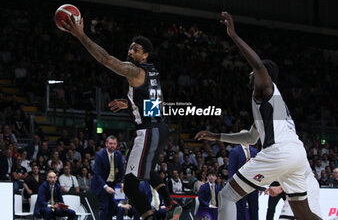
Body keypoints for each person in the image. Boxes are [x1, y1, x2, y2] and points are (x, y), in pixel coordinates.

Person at [194, 11, 321, 220]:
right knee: (304, 214)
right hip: (297, 155)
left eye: (254, 73)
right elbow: (251, 138)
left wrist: (233, 35)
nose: (251, 75)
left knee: (226, 196)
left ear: (265, 77)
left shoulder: (266, 89)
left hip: (278, 153)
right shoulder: (274, 105)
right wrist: (217, 136)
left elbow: (258, 66)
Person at [62, 15, 182, 220]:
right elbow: (159, 103)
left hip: (148, 131)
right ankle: (170, 202)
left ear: (145, 55)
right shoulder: (153, 72)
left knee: (129, 182)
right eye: (130, 47)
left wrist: (81, 35)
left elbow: (106, 59)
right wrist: (130, 103)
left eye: (135, 49)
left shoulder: (134, 71)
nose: (130, 51)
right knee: (147, 169)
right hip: (160, 127)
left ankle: (152, 216)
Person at [90, 135, 125, 220]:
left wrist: (123, 182)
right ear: (106, 144)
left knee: (112, 208)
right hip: (102, 184)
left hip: (113, 183)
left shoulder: (118, 154)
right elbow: (97, 174)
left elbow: (122, 170)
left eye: (114, 144)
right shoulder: (100, 155)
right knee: (104, 207)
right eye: (110, 143)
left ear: (117, 145)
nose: (112, 146)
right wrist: (105, 187)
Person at [228, 138, 259, 220]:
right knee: (240, 208)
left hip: (253, 184)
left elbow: (258, 168)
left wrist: (259, 183)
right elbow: (231, 169)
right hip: (240, 184)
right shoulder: (234, 151)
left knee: (254, 207)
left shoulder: (255, 151)